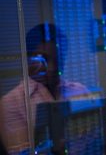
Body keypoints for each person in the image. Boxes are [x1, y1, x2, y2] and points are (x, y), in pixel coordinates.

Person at [0, 23, 93, 154]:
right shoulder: (11, 103)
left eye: (58, 59)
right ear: (28, 59)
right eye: (43, 59)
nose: (52, 68)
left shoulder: (80, 91)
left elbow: (94, 141)